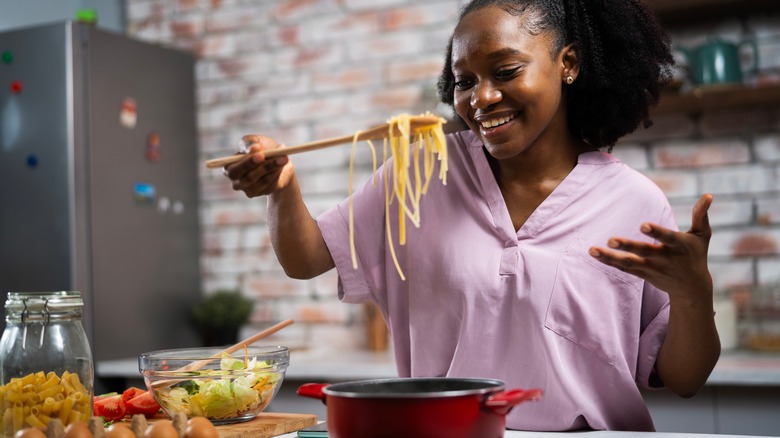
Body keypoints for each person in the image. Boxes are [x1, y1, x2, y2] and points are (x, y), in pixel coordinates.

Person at [222, 0, 720, 431]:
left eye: (505, 72)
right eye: (465, 81)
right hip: (444, 434)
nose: (481, 98)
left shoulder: (634, 201)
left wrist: (693, 291)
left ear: (567, 64)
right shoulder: (420, 173)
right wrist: (282, 185)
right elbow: (306, 258)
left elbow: (684, 379)